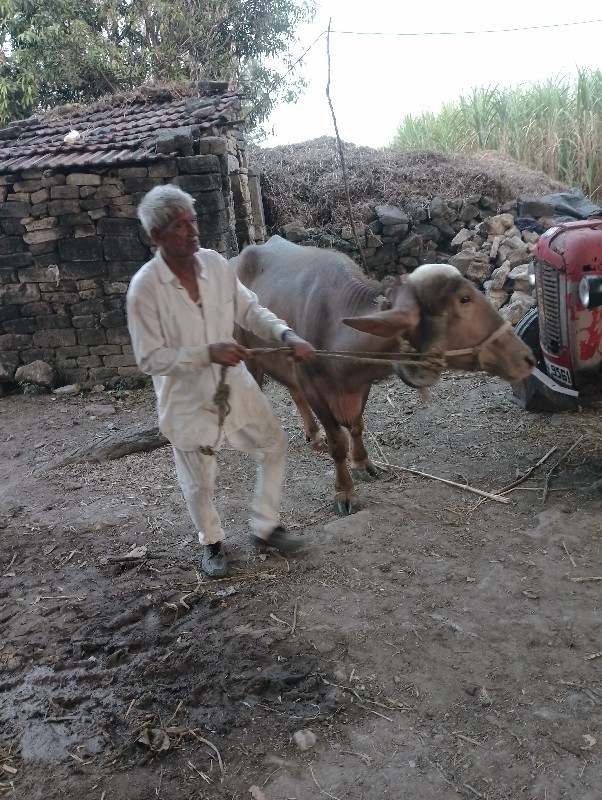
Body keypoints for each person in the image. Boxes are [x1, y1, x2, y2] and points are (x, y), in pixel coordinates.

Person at [126, 185, 316, 578]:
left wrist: (285, 334)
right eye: (181, 225)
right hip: (186, 400)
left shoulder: (213, 264)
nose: (193, 230)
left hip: (234, 385)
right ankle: (211, 541)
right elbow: (149, 358)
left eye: (192, 220)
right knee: (199, 480)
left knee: (273, 443)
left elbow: (248, 308)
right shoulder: (144, 289)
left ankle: (265, 527)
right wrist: (207, 352)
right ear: (157, 236)